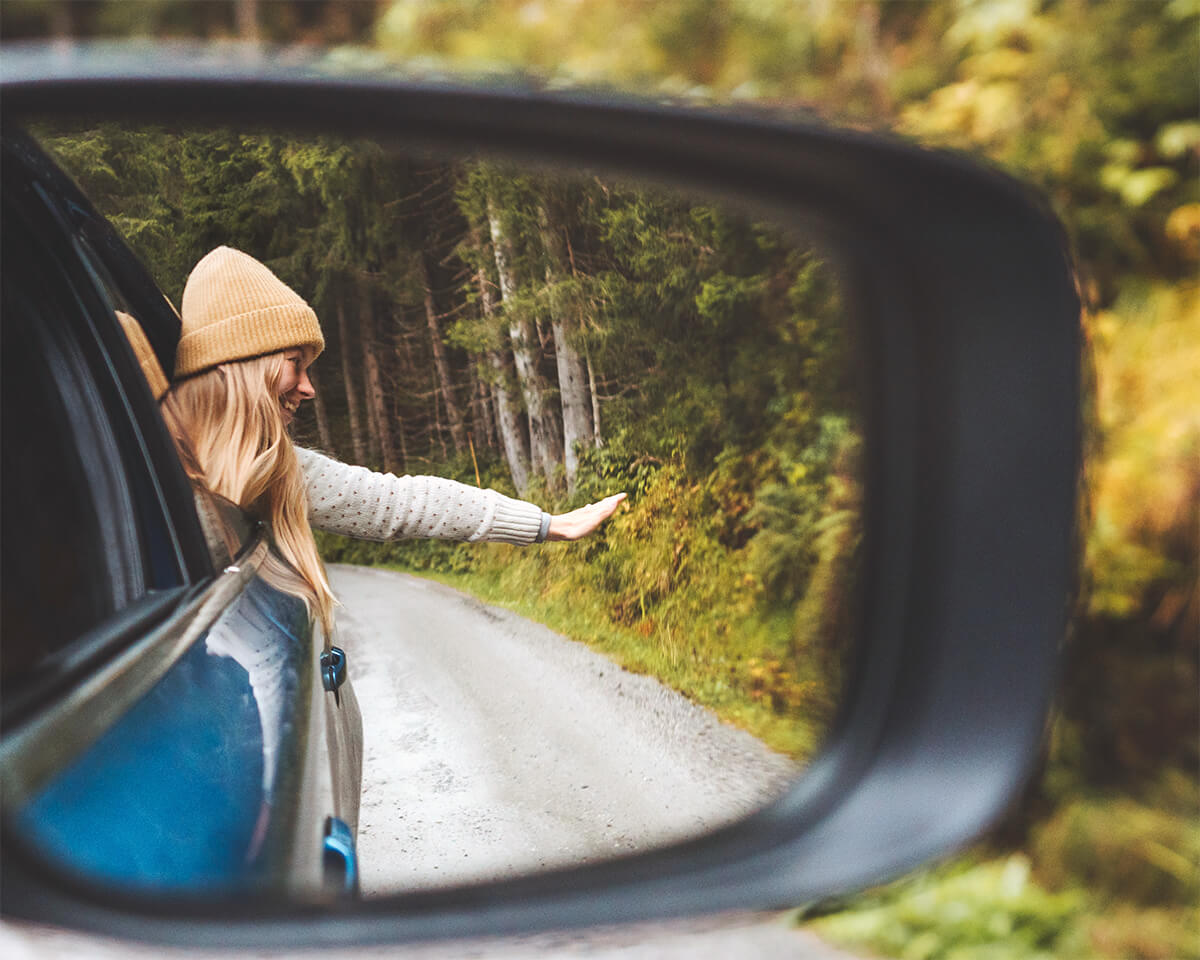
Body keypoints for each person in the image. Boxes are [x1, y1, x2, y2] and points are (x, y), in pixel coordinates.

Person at [144, 245, 623, 634]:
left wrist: (544, 524)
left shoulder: (277, 468)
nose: (309, 388)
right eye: (296, 363)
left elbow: (396, 502)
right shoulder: (145, 469)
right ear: (246, 365)